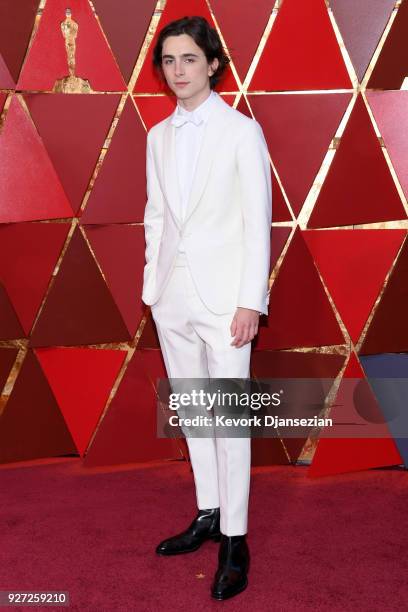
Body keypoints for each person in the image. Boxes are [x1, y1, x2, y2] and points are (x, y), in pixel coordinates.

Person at [142, 15, 272, 600]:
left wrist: (251, 301)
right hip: (172, 297)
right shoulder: (156, 136)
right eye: (169, 61)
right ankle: (209, 512)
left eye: (189, 59)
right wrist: (153, 285)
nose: (178, 71)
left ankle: (236, 537)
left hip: (226, 305)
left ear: (212, 64)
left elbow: (256, 223)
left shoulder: (241, 131)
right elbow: (155, 218)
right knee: (194, 414)